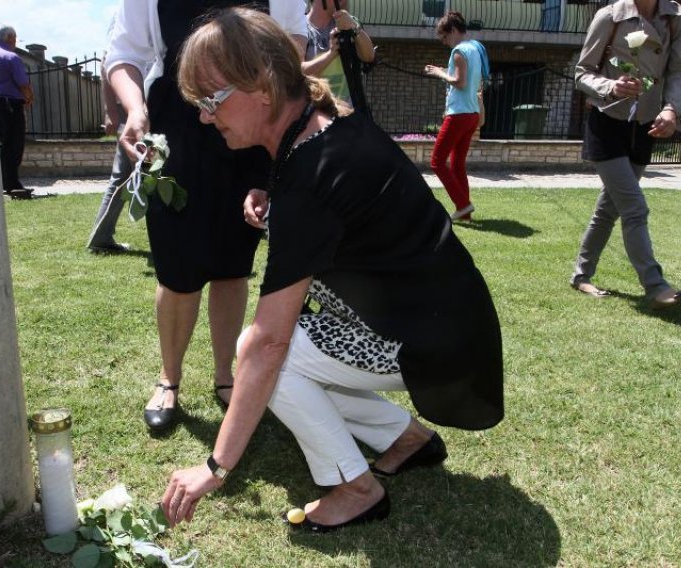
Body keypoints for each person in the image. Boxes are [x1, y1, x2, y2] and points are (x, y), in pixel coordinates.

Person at [161, 8, 504, 532]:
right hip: (447, 320)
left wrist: (215, 466)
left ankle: (354, 487)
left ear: (263, 89)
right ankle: (403, 439)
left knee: (272, 353)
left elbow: (268, 344)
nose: (206, 117)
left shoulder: (311, 177)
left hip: (430, 339)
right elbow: (336, 210)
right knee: (287, 351)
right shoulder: (326, 129)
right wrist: (270, 193)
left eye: (211, 100)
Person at [105, 0, 308, 432]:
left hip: (252, 124)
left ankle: (224, 377)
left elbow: (292, 43)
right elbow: (125, 53)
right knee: (177, 267)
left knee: (234, 264)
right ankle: (169, 379)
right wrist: (135, 109)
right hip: (177, 128)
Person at [571, 0, 680, 309]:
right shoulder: (610, 17)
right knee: (634, 208)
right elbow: (582, 72)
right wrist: (611, 85)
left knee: (608, 210)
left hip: (645, 126)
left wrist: (672, 109)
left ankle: (581, 276)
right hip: (607, 124)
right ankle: (655, 284)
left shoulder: (674, 19)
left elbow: (677, 73)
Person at [424, 11, 488, 222]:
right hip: (471, 114)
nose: (444, 42)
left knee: (437, 162)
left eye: (444, 37)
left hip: (459, 114)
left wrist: (439, 73)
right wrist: (445, 70)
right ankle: (465, 214)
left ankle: (463, 205)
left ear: (452, 30)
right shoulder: (475, 49)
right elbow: (470, 81)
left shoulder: (459, 51)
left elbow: (459, 82)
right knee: (458, 163)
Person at [87, 22, 131, 254]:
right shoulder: (121, 36)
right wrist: (111, 112)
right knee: (135, 173)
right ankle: (100, 238)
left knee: (125, 175)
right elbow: (107, 69)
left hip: (138, 110)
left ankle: (101, 237)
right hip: (130, 111)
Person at [302, 0, 375, 105]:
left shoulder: (349, 23)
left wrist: (354, 27)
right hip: (314, 115)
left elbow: (368, 57)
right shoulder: (299, 28)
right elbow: (298, 75)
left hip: (347, 114)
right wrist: (331, 54)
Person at [0, 24, 34, 199]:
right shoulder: (11, 57)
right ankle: (12, 183)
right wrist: (29, 97)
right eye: (15, 38)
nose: (15, 42)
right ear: (10, 38)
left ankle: (5, 183)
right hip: (11, 105)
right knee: (14, 144)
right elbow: (23, 84)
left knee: (3, 144)